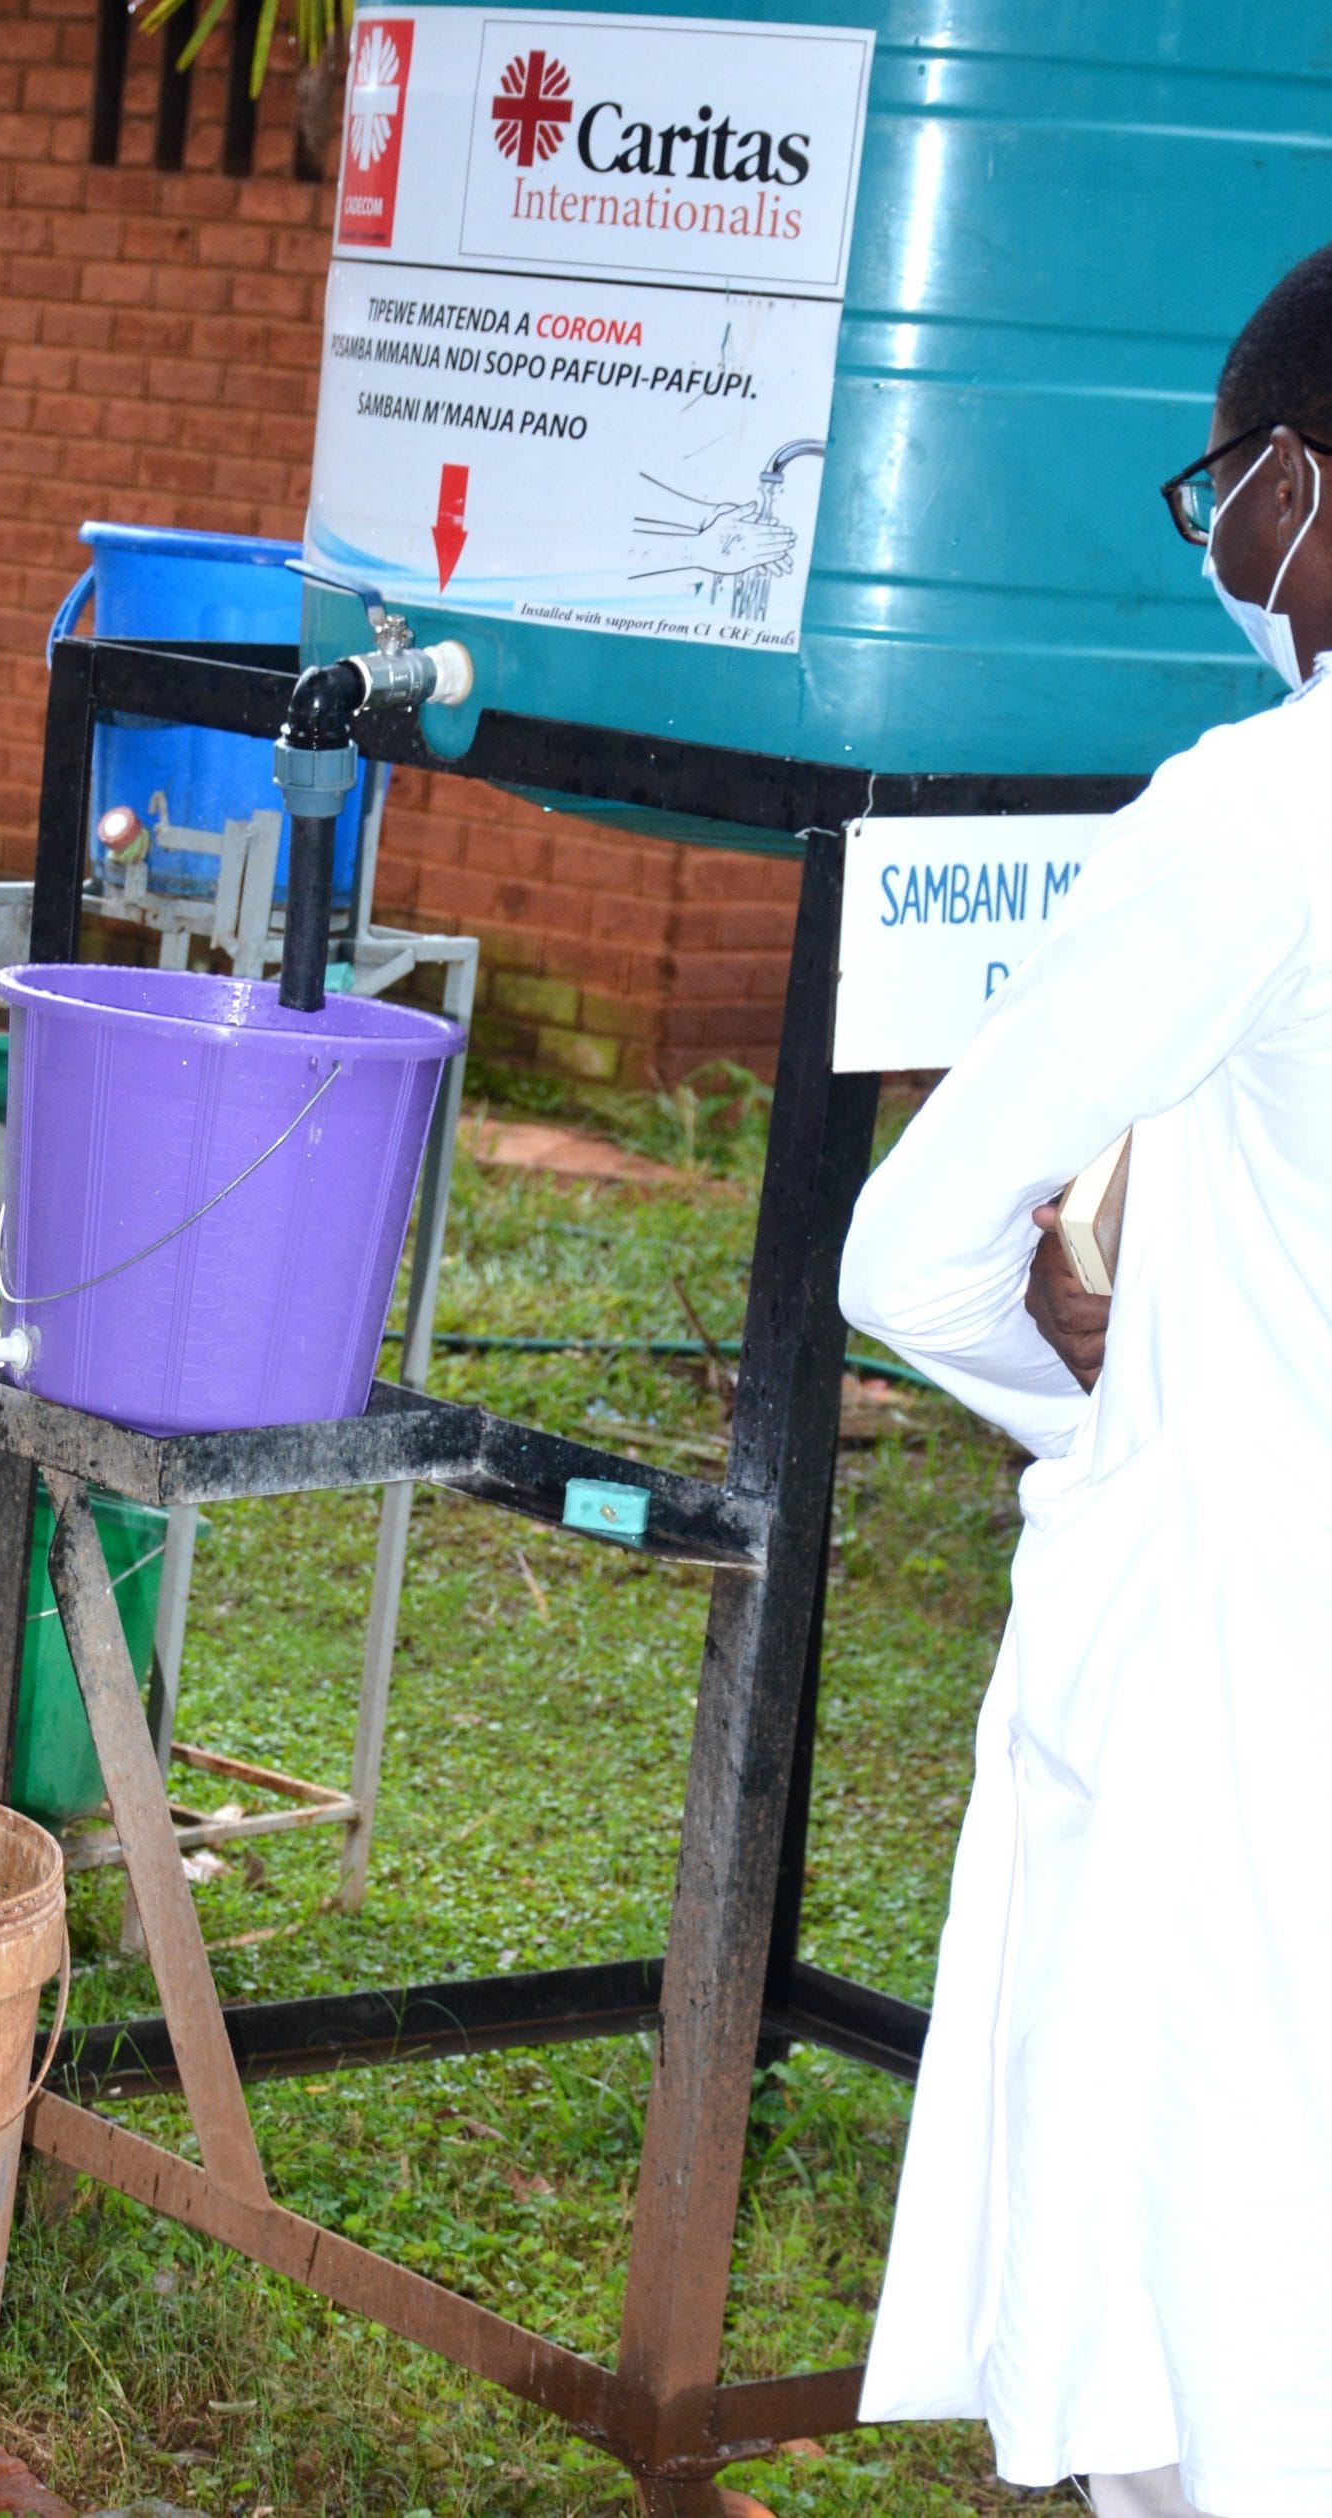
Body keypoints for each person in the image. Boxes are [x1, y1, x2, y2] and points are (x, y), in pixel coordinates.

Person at [841, 246, 1332, 2518]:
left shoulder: (1253, 813)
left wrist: (1099, 1408)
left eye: (1214, 492)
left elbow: (913, 1246)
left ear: (1297, 488)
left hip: (1244, 1671)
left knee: (1213, 2298)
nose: (1221, 549)